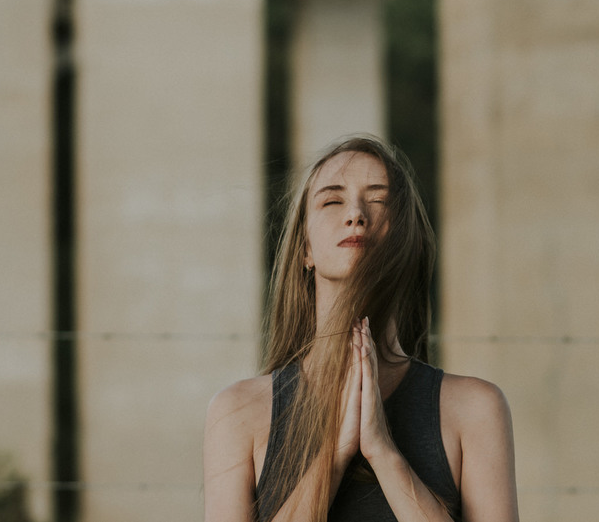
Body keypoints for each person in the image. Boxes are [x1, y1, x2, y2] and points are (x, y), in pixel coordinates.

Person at [204, 135, 519, 521]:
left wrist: (384, 453)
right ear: (305, 248)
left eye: (379, 201)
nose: (355, 214)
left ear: (406, 240)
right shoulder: (238, 413)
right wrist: (335, 453)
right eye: (332, 200)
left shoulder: (475, 409)